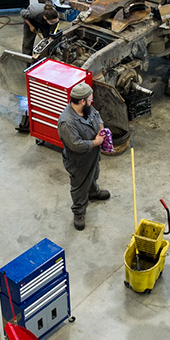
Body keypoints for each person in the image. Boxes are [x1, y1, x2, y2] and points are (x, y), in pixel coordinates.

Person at [56, 82, 109, 230]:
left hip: (92, 155)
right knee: (79, 185)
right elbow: (76, 145)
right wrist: (96, 142)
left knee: (93, 175)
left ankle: (93, 192)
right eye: (90, 99)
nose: (92, 101)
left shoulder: (87, 108)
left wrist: (101, 130)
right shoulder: (66, 122)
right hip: (78, 161)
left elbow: (97, 116)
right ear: (82, 101)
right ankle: (79, 212)